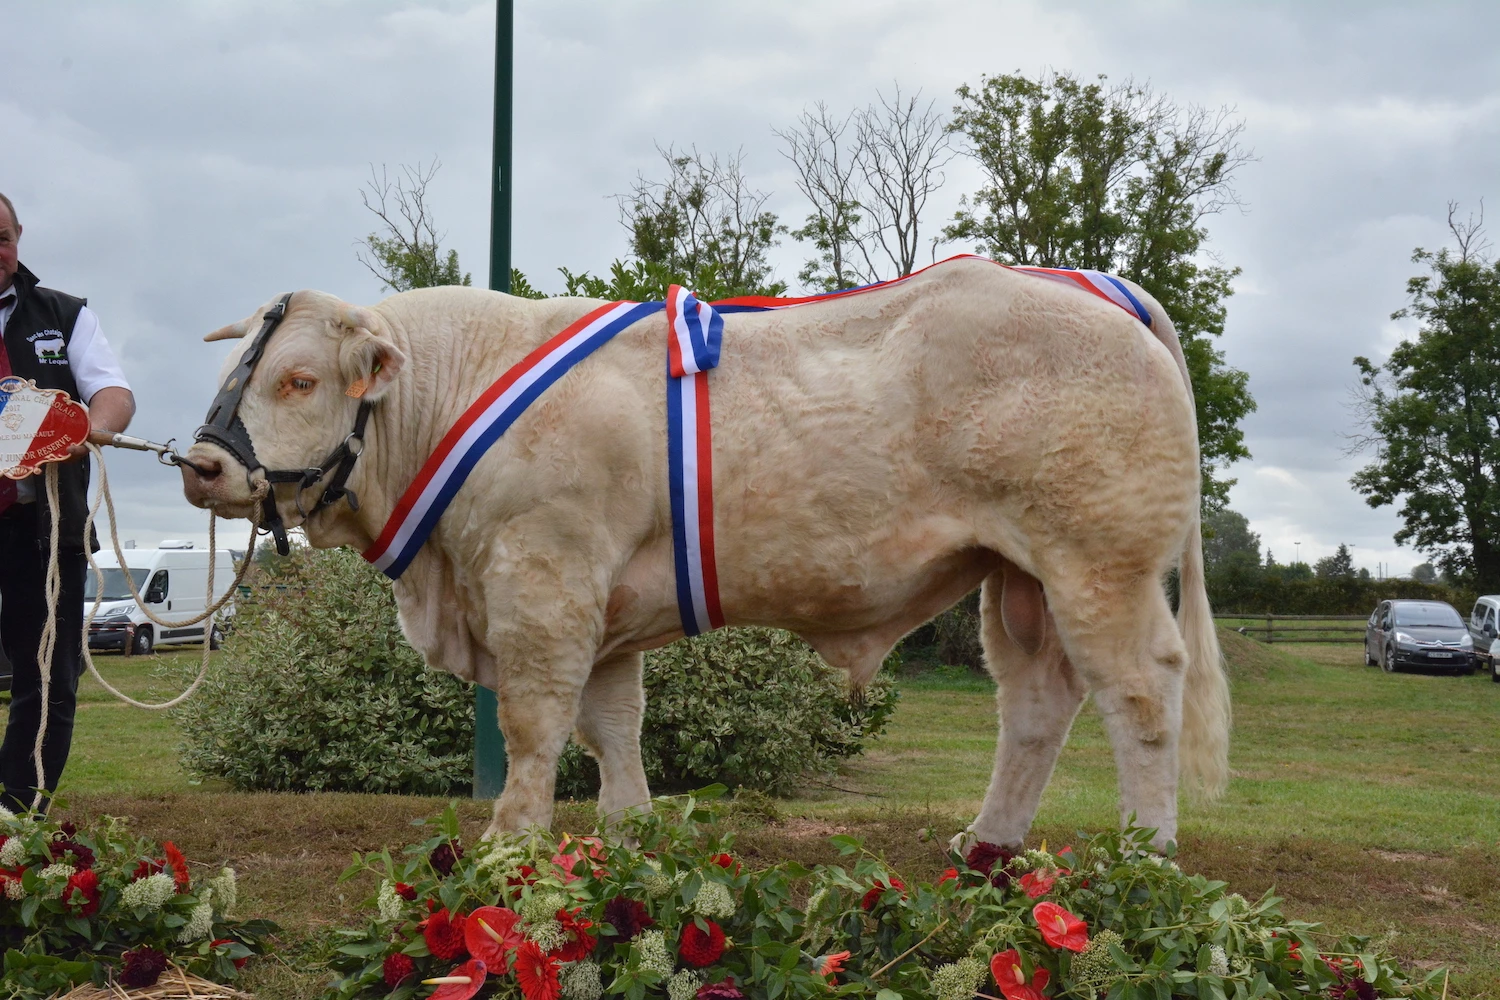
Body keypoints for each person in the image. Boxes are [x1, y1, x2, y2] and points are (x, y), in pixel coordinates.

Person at [0, 191, 135, 812]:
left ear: (19, 238)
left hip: (44, 528)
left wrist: (86, 429)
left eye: (2, 238)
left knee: (50, 677)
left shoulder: (64, 313)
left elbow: (111, 392)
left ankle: (18, 818)